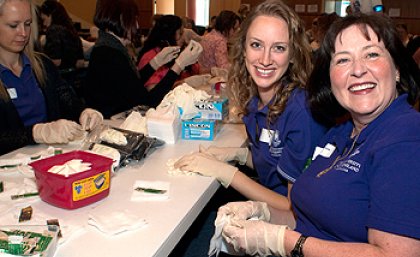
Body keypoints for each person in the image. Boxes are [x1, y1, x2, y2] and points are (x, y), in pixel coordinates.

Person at [216, 13, 420, 257]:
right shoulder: (342, 131)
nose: (357, 70)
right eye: (343, 60)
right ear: (330, 78)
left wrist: (283, 241)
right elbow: (309, 220)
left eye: (372, 54)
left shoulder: (406, 138)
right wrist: (263, 213)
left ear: (397, 69)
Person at [174, 0, 328, 209]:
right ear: (243, 48)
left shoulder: (301, 112)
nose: (265, 59)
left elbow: (292, 208)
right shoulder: (255, 99)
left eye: (279, 48)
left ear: (293, 55)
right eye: (256, 45)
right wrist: (240, 154)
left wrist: (228, 173)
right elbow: (273, 162)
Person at [0, 0, 103, 155]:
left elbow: (67, 99)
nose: (23, 33)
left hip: (49, 159)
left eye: (27, 24)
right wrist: (36, 133)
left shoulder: (42, 65)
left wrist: (84, 112)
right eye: (13, 26)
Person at [84, 0, 202, 118]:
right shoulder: (109, 54)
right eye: (134, 20)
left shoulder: (109, 47)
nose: (137, 26)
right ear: (121, 19)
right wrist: (179, 65)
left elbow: (131, 83)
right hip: (112, 122)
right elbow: (147, 102)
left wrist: (155, 63)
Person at [137, 15, 202, 91]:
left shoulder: (176, 52)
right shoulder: (151, 57)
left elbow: (194, 70)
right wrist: (183, 82)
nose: (184, 38)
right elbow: (152, 89)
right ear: (169, 36)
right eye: (180, 34)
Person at [39, 0, 85, 70]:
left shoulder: (53, 30)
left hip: (58, 76)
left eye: (44, 20)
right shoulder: (72, 30)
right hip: (72, 76)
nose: (44, 24)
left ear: (50, 15)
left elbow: (56, 61)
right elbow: (80, 63)